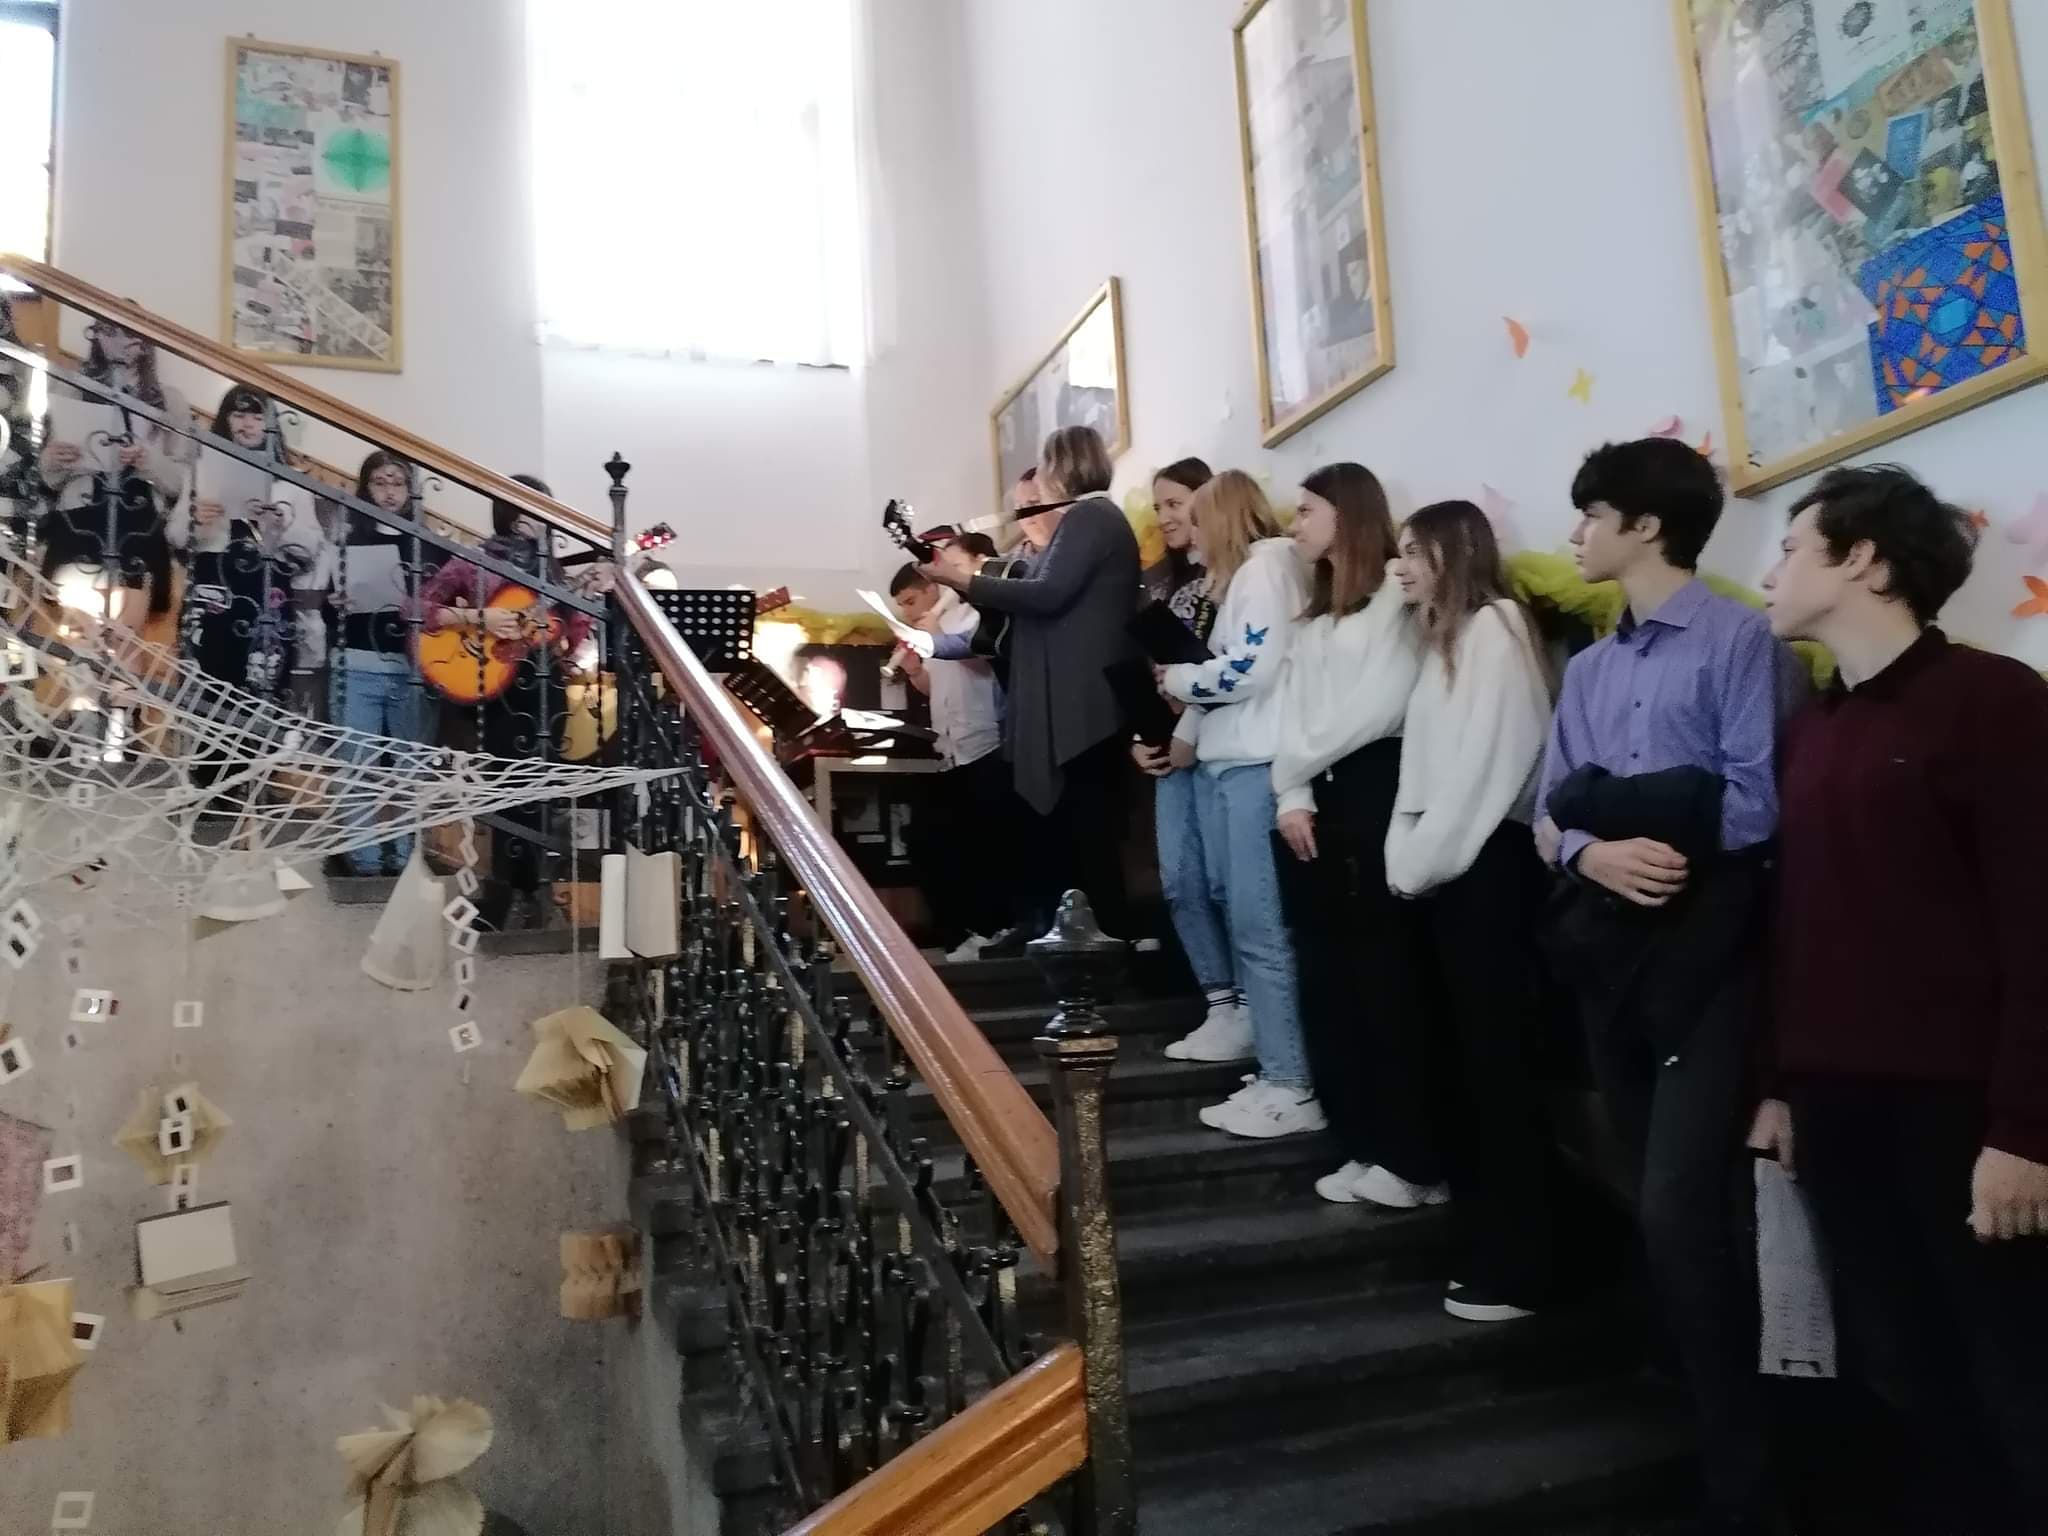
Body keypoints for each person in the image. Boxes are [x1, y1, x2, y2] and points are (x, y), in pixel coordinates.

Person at [1751, 465, 2048, 1535]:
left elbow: (2037, 924)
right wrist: (1780, 1084)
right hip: (1835, 1105)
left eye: (1790, 548)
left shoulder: (1995, 701)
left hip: (1962, 1112)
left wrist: (2025, 1130)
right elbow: (1798, 921)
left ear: (1863, 560)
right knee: (1903, 1365)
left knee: (2012, 1368)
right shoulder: (1812, 728)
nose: (1769, 574)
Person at [1533, 438, 1800, 1531]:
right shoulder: (1589, 670)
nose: (1575, 535)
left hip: (1713, 949)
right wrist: (1590, 849)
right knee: (1650, 1191)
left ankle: (1750, 1469)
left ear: (1644, 525)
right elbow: (1550, 810)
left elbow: (1754, 807)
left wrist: (1609, 812)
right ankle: (1705, 1419)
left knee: (1684, 1205)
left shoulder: (1741, 639)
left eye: (1590, 515)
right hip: (1607, 951)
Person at [1379, 500, 1559, 1322]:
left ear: (1455, 553)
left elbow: (1493, 767)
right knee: (1460, 1066)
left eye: (1415, 551)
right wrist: (1409, 857)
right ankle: (1486, 1245)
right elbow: (1420, 775)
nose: (1400, 567)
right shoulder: (1442, 641)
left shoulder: (1499, 625)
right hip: (1444, 871)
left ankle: (1523, 1265)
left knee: (1499, 1071)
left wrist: (1418, 860)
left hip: (1487, 870)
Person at [920, 426, 1140, 941]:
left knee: (1089, 835)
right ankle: (1082, 942)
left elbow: (1046, 594)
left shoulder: (1090, 516)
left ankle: (1103, 950)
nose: (1039, 479)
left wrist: (961, 580)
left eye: (1044, 465)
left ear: (1061, 465)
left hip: (1084, 702)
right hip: (1077, 699)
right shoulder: (1089, 519)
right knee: (1077, 837)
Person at [1157, 469, 1320, 1139]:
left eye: (1196, 518)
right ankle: (1279, 1069)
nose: (1186, 532)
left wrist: (1178, 677)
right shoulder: (1252, 576)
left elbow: (1252, 667)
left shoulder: (1263, 569)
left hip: (1255, 763)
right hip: (1234, 761)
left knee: (1261, 930)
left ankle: (1292, 1083)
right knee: (1249, 922)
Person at [1262, 464, 1419, 1155]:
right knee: (1326, 978)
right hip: (1314, 798)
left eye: (1307, 510)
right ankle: (1354, 1138)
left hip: (1376, 787)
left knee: (1383, 974)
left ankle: (1402, 1150)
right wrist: (1292, 796)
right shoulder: (1315, 616)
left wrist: (1292, 770)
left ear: (1346, 513)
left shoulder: (1394, 591)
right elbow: (1294, 713)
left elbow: (1382, 706)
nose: (1294, 524)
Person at [419, 475, 594, 929]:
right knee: (503, 790)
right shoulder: (477, 561)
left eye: (543, 511)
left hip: (545, 688)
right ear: (509, 512)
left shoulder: (555, 573)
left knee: (540, 790)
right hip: (496, 688)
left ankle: (533, 893)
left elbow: (571, 638)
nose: (538, 520)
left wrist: (583, 605)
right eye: (529, 508)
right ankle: (501, 891)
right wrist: (480, 617)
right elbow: (418, 609)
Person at [1133, 459, 1246, 1059]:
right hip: (1170, 751)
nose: (1167, 517)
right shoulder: (1166, 586)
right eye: (1158, 507)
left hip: (1217, 747)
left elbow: (1229, 673)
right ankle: (1219, 1003)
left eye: (1176, 504)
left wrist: (1187, 725)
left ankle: (1249, 1008)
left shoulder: (1239, 580)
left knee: (1227, 886)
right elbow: (1153, 676)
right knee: (1180, 883)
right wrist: (1139, 738)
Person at [890, 562, 1014, 961]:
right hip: (951, 749)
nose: (908, 611)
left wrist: (936, 636)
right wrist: (914, 672)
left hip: (987, 742)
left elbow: (981, 663)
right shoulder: (933, 628)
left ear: (932, 588)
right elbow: (939, 687)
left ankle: (994, 930)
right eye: (901, 606)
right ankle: (966, 932)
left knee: (986, 846)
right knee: (934, 842)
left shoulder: (971, 616)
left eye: (911, 600)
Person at [35, 321, 189, 641]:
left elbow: (181, 483)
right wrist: (55, 458)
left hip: (139, 523)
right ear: (96, 338)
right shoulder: (72, 387)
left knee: (125, 643)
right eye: (107, 332)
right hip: (81, 520)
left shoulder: (169, 401)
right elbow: (48, 478)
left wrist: (148, 460)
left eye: (128, 333)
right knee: (77, 639)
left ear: (144, 343)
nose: (118, 341)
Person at [172, 385, 324, 708]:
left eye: (257, 416)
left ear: (270, 424)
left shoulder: (291, 479)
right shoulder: (202, 468)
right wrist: (194, 519)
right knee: (205, 680)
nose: (247, 424)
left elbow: (310, 548)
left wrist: (282, 525)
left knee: (262, 684)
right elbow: (174, 535)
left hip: (267, 585)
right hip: (213, 581)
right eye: (239, 415)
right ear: (225, 420)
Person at [332, 450, 438, 875]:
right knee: (357, 764)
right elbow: (325, 601)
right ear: (366, 488)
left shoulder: (427, 543)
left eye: (397, 483)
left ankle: (405, 854)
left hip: (411, 667)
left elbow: (445, 601)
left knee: (410, 766)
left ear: (411, 490)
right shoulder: (348, 539)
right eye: (380, 482)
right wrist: (335, 603)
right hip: (357, 660)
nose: (389, 492)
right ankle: (363, 857)